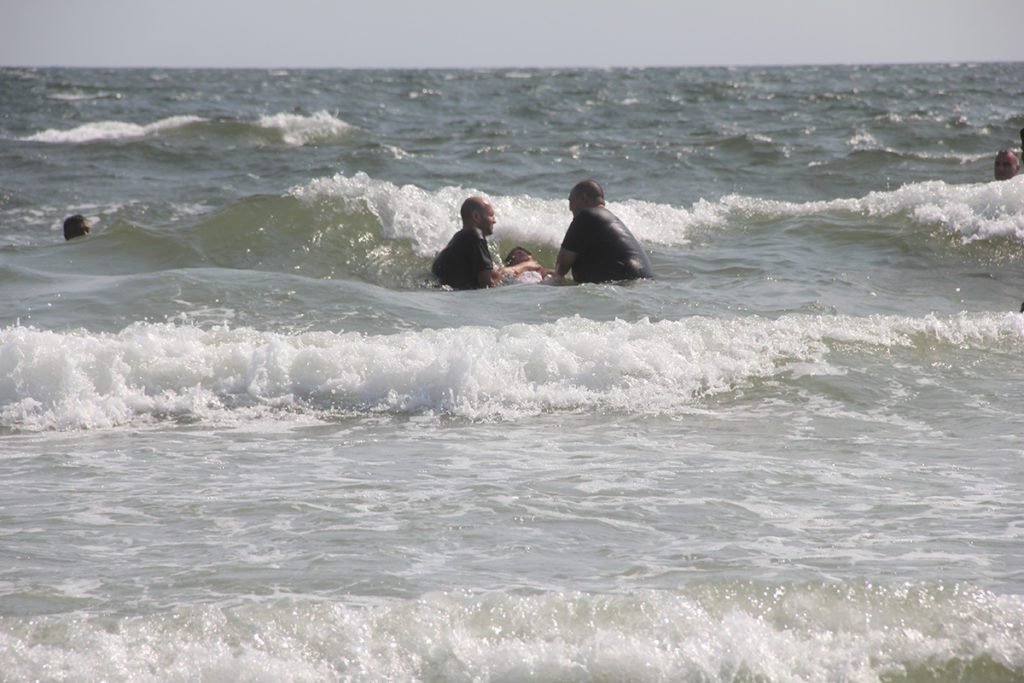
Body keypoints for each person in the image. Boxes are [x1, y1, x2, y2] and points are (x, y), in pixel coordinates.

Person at [431, 196, 545, 289]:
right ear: (476, 216)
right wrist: (523, 267)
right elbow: (489, 281)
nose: (494, 220)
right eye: (491, 215)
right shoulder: (474, 234)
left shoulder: (460, 238)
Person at [554, 180, 653, 283]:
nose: (570, 208)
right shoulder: (609, 220)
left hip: (623, 282)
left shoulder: (585, 216)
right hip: (642, 283)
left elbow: (562, 267)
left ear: (583, 198)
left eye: (570, 201)